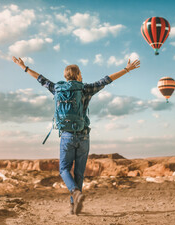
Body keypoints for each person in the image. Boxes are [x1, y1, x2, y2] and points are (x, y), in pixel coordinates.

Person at [12, 56, 140, 215]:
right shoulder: (85, 89)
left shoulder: (57, 88)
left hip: (66, 136)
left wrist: (24, 67)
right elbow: (106, 80)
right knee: (79, 172)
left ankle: (75, 193)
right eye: (81, 73)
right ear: (78, 74)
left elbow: (40, 78)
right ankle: (74, 204)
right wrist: (127, 69)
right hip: (84, 136)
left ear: (66, 76)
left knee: (64, 169)